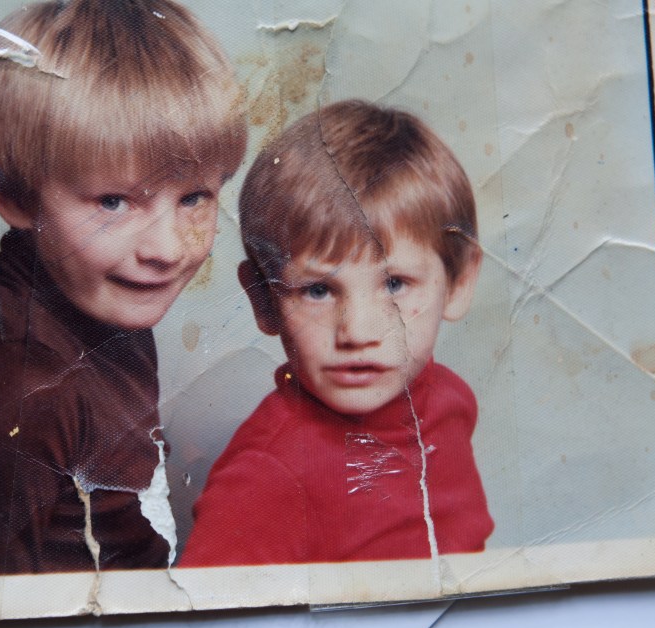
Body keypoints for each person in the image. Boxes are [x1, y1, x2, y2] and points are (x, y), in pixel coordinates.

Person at [0, 0, 246, 578]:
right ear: (15, 195)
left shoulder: (107, 310)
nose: (168, 248)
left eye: (194, 197)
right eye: (113, 201)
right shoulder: (18, 391)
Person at [180, 100, 494, 567]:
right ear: (265, 301)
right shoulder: (267, 476)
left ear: (459, 283)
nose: (358, 332)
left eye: (393, 284)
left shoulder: (449, 401)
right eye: (318, 290)